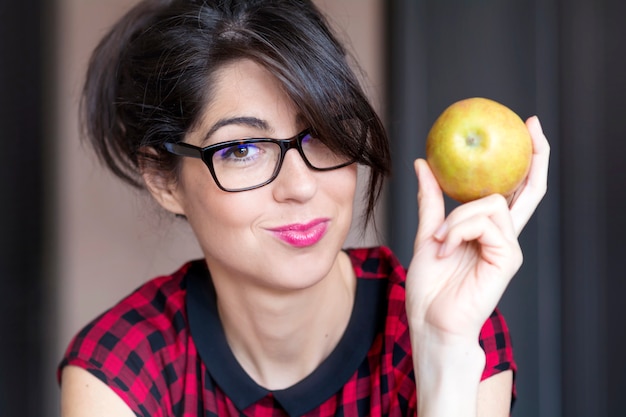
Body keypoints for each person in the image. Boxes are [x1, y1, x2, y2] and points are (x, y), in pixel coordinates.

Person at [58, 0, 550, 416]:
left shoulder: (454, 325)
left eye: (323, 131)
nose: (301, 185)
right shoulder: (123, 366)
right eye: (241, 150)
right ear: (164, 180)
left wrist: (443, 355)